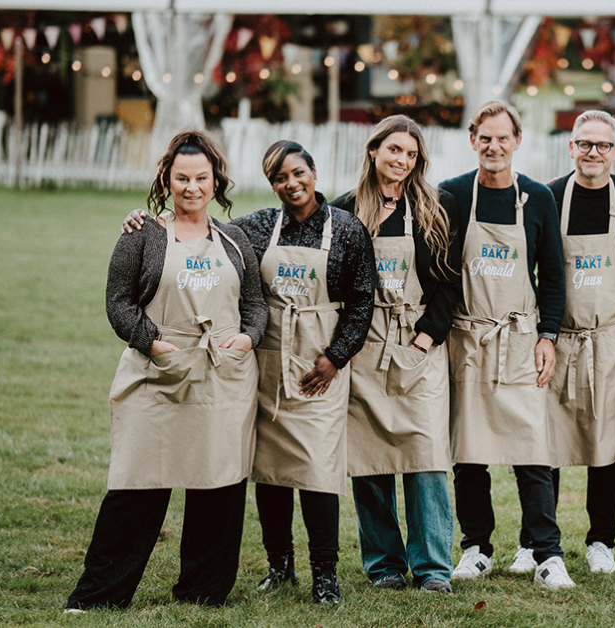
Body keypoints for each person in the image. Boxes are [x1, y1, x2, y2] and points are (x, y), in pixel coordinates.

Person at [121, 140, 377, 605]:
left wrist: (335, 357)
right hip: (267, 362)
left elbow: (363, 300)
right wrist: (147, 223)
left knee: (319, 470)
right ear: (272, 184)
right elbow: (201, 231)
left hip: (317, 365)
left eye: (298, 173)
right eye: (280, 178)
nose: (291, 183)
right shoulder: (257, 227)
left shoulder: (346, 229)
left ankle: (325, 575)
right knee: (270, 469)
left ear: (313, 172)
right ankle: (279, 566)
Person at [67, 130, 267, 612]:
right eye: (182, 178)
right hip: (158, 376)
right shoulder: (143, 235)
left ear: (215, 179)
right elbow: (118, 303)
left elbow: (255, 303)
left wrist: (247, 338)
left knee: (217, 483)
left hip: (223, 376)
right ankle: (99, 596)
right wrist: (153, 343)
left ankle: (203, 590)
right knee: (137, 483)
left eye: (201, 177)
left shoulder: (236, 237)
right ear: (167, 179)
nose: (192, 187)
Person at [438, 101, 574, 590]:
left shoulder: (537, 197)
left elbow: (554, 276)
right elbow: (440, 272)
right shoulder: (452, 195)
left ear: (518, 141)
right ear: (473, 139)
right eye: (484, 138)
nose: (493, 147)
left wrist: (547, 336)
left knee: (531, 448)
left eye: (503, 138)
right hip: (468, 338)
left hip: (519, 339)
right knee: (468, 450)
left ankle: (546, 553)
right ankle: (475, 547)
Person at [331, 115, 463, 595]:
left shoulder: (434, 208)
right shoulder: (343, 211)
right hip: (363, 349)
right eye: (394, 150)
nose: (401, 161)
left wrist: (425, 338)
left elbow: (450, 283)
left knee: (427, 457)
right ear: (373, 151)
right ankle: (384, 563)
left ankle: (433, 568)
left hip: (417, 346)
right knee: (370, 461)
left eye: (410, 154)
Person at [521, 110, 615, 575]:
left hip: (612, 339)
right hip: (559, 337)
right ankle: (534, 542)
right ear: (571, 147)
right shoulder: (548, 197)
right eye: (584, 144)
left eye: (602, 145)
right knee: (544, 444)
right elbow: (530, 268)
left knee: (605, 443)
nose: (593, 152)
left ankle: (602, 541)